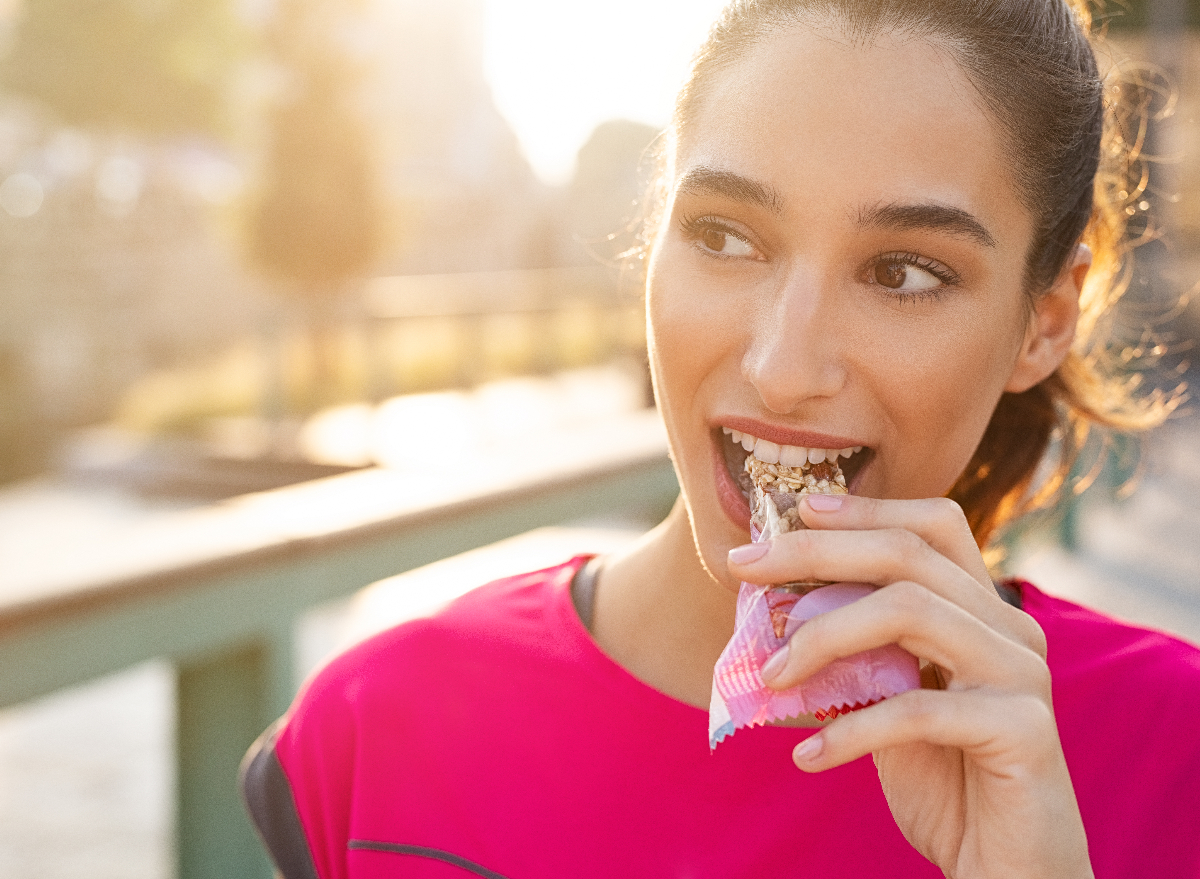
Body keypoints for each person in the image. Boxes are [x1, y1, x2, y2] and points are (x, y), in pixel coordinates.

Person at [241, 2, 1200, 877]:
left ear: (1045, 319)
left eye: (903, 272)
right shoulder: (376, 735)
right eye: (725, 236)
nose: (785, 364)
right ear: (654, 233)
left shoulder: (1171, 758)